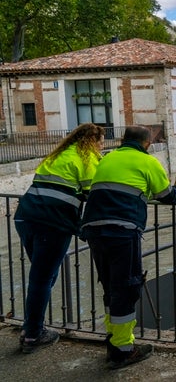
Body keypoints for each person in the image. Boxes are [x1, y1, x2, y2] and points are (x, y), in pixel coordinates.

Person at [80, 125, 176, 369]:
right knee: (126, 288)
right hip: (122, 229)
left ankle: (114, 340)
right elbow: (166, 195)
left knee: (110, 285)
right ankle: (122, 351)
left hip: (94, 228)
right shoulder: (147, 161)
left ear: (122, 139)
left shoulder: (107, 158)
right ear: (147, 144)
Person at [14, 123, 105, 354]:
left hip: (25, 217)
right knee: (42, 279)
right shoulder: (87, 159)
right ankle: (32, 334)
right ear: (93, 142)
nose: (102, 147)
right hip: (52, 224)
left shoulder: (55, 156)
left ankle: (31, 328)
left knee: (42, 276)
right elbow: (94, 194)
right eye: (101, 142)